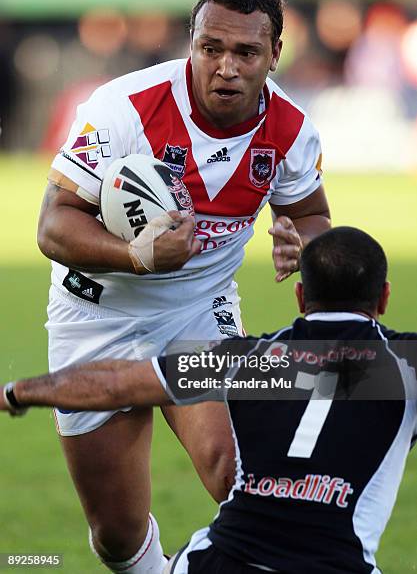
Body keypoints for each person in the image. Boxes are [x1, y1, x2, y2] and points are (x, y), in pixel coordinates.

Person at [36, 0, 330, 574]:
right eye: (209, 47)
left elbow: (313, 216)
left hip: (201, 313)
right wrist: (140, 257)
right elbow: (52, 227)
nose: (225, 67)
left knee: (239, 474)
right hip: (96, 315)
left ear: (275, 54)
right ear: (190, 43)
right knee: (116, 535)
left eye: (246, 53)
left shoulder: (293, 131)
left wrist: (307, 247)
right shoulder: (124, 107)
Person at [2, 227, 416, 573]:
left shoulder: (246, 360)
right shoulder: (405, 367)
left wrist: (16, 392)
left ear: (302, 297)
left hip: (218, 561)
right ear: (383, 298)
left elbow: (114, 383)